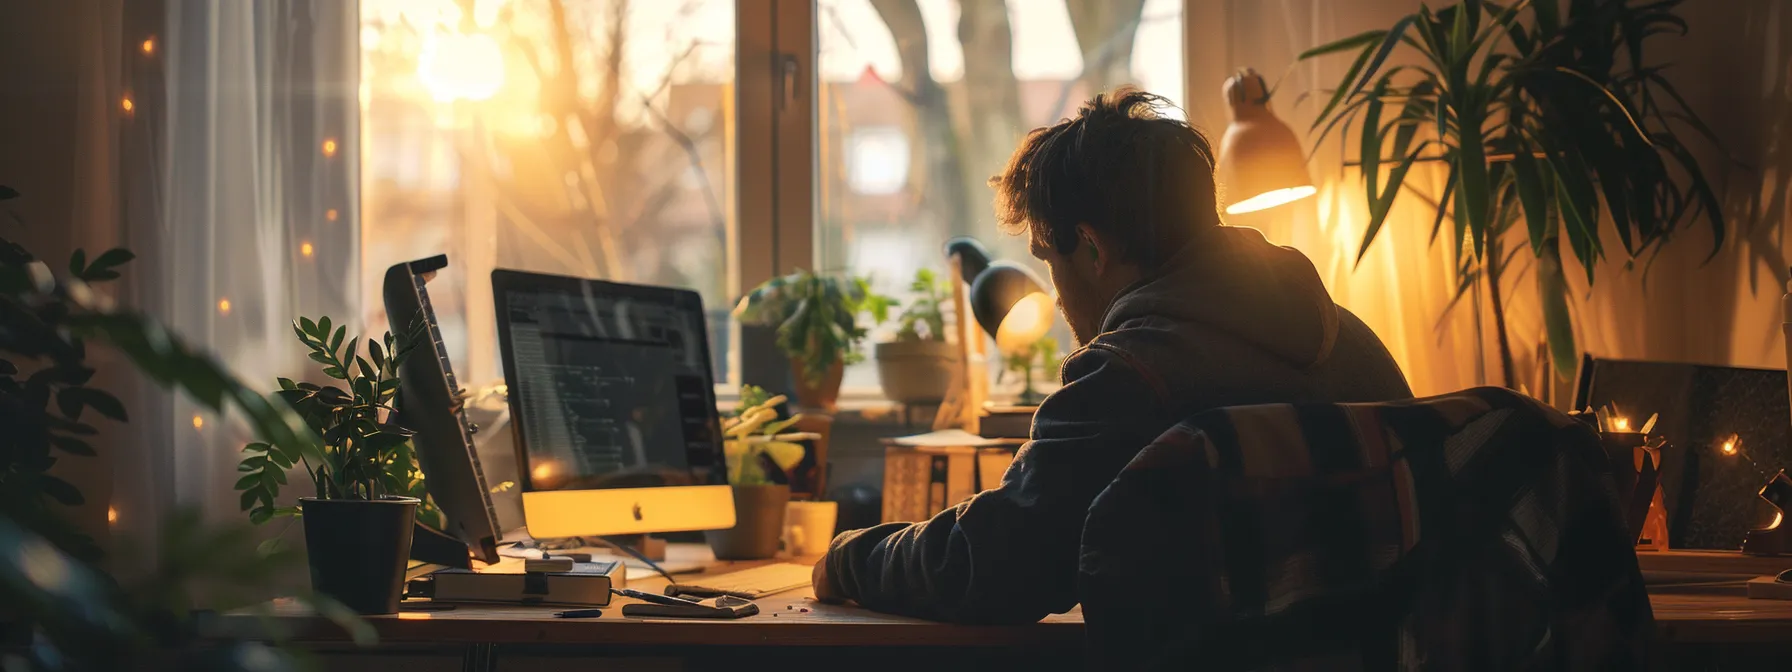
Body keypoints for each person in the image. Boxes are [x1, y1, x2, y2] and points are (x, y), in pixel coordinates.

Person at [810, 88, 1414, 624]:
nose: (1054, 291)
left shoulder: (1131, 376)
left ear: (1093, 249)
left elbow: (990, 567)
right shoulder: (1359, 347)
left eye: (1050, 260)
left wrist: (849, 559)